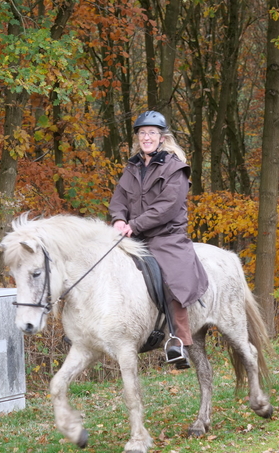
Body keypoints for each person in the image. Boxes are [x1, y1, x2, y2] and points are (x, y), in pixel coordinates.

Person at [109, 110, 208, 369]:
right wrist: (119, 219)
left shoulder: (175, 168)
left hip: (166, 236)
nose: (147, 137)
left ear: (162, 138)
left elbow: (167, 207)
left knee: (170, 276)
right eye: (142, 133)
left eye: (152, 133)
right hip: (134, 234)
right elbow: (118, 199)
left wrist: (134, 225)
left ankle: (178, 340)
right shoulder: (132, 168)